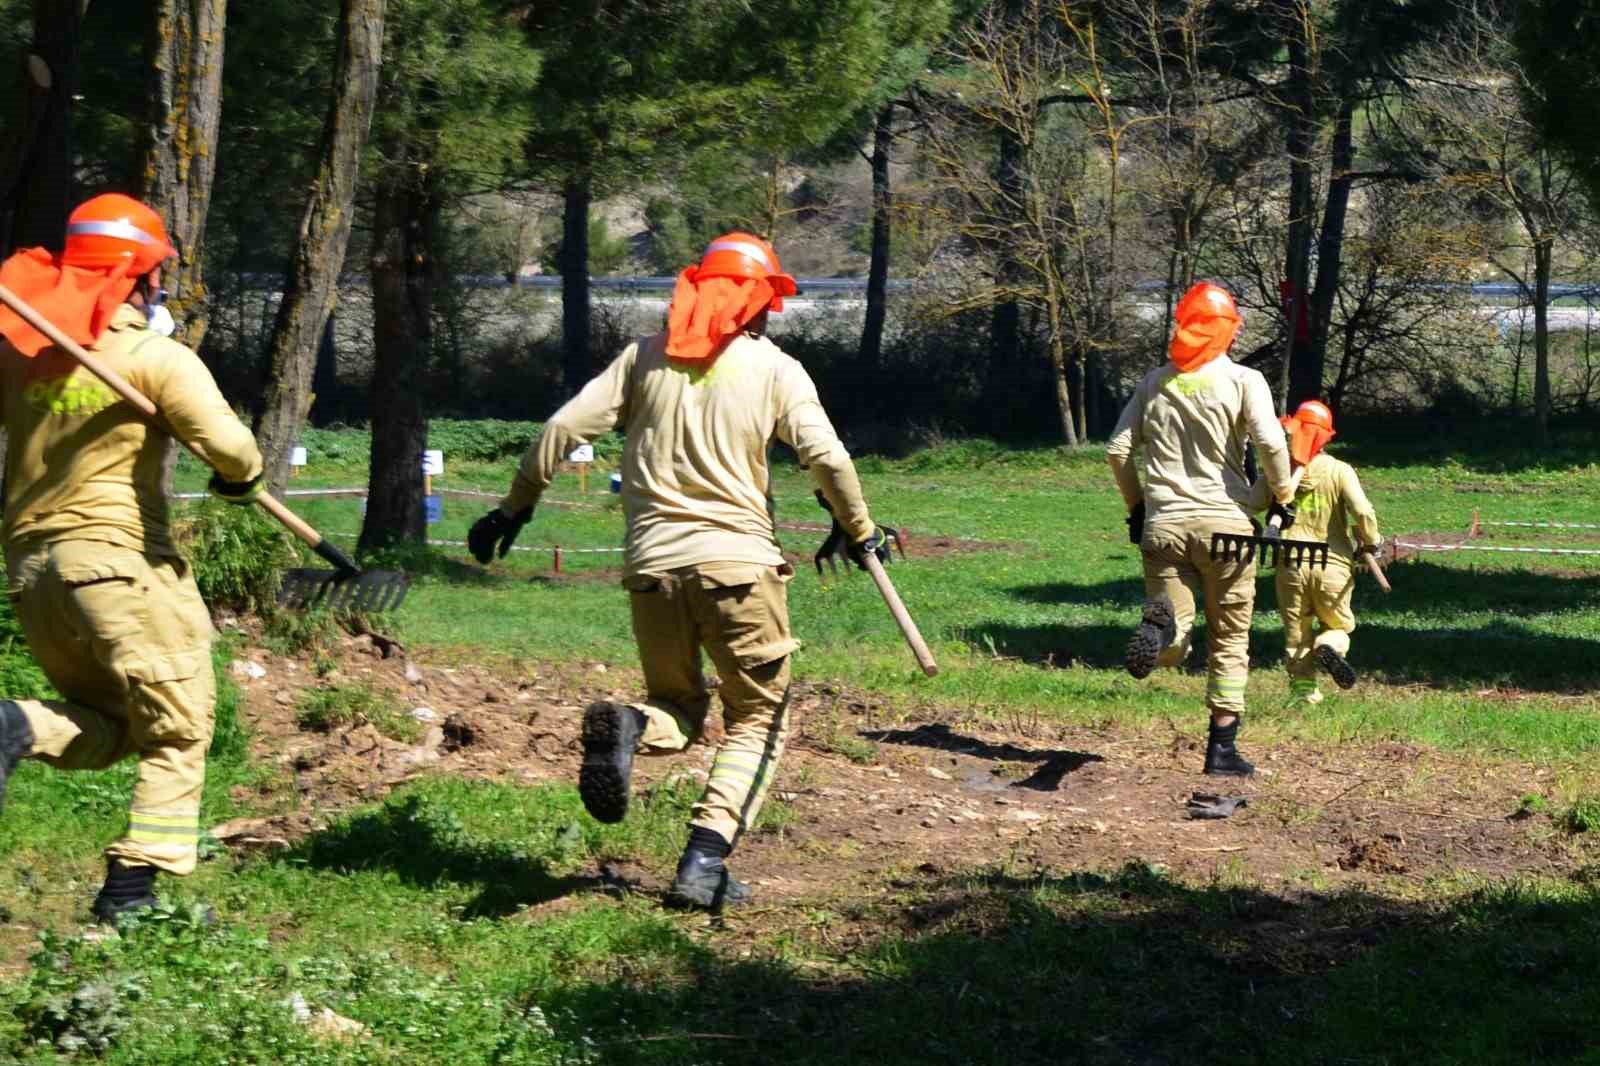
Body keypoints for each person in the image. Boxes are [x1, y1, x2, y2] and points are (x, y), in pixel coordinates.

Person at [469, 233, 891, 909]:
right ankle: (703, 860)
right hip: (739, 570)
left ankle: (632, 724)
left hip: (651, 572)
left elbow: (562, 429)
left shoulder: (643, 358)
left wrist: (513, 508)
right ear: (759, 302)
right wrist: (860, 528)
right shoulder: (777, 370)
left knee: (677, 708)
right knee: (759, 718)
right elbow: (829, 460)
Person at [0, 193, 265, 921]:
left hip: (32, 574)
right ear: (137, 278)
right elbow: (235, 450)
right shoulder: (153, 357)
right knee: (179, 730)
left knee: (112, 723)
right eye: (157, 277)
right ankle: (132, 893)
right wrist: (240, 481)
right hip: (116, 566)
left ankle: (14, 724)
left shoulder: (23, 358)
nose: (161, 291)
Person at [1106, 281, 1296, 776]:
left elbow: (1117, 451)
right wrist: (1283, 495)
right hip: (1226, 528)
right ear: (1230, 330)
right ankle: (1222, 751)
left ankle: (1164, 632)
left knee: (1177, 633)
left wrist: (1137, 506)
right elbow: (1273, 447)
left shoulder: (1154, 382)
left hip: (1164, 524)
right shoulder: (1244, 380)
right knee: (1230, 638)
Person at [1250, 400, 1380, 704]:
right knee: (1339, 625)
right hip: (1332, 564)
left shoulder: (1279, 471)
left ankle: (1305, 696)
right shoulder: (1339, 471)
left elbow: (1253, 501)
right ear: (1325, 437)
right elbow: (1362, 510)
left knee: (1296, 635)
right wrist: (1370, 541)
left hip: (1291, 564)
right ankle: (1329, 647)